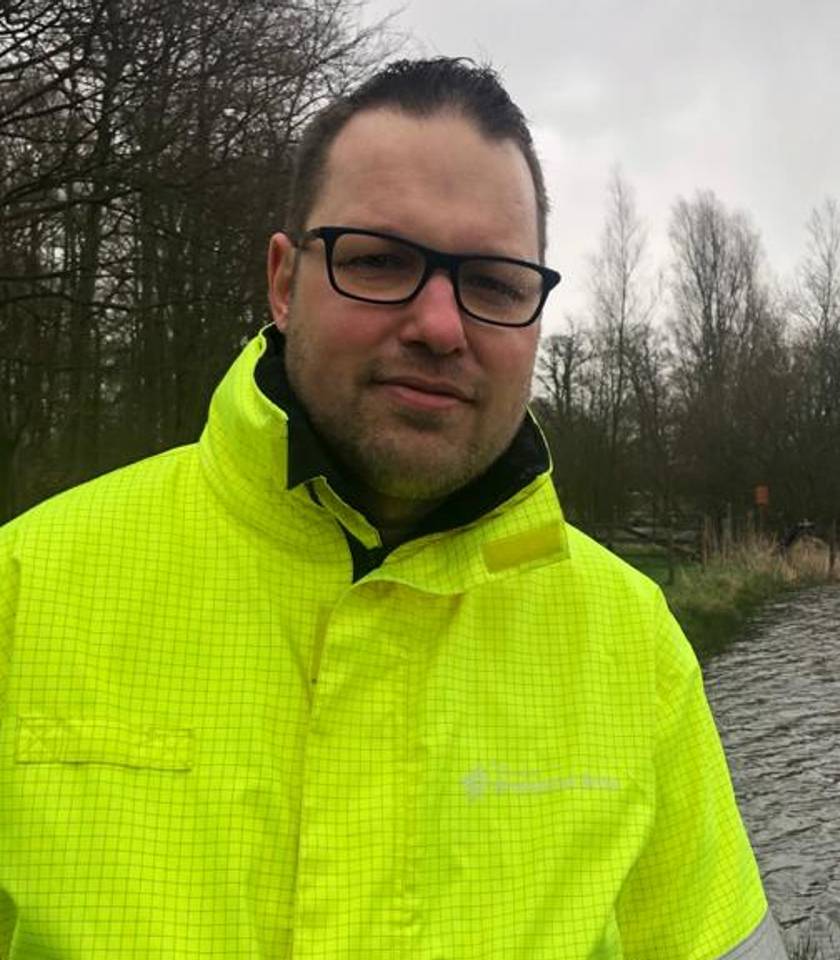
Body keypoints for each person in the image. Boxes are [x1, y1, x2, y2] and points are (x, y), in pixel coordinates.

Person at [0, 58, 787, 958]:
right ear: (284, 282)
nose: (441, 326)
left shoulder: (633, 646)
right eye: (380, 262)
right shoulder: (24, 592)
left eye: (494, 283)